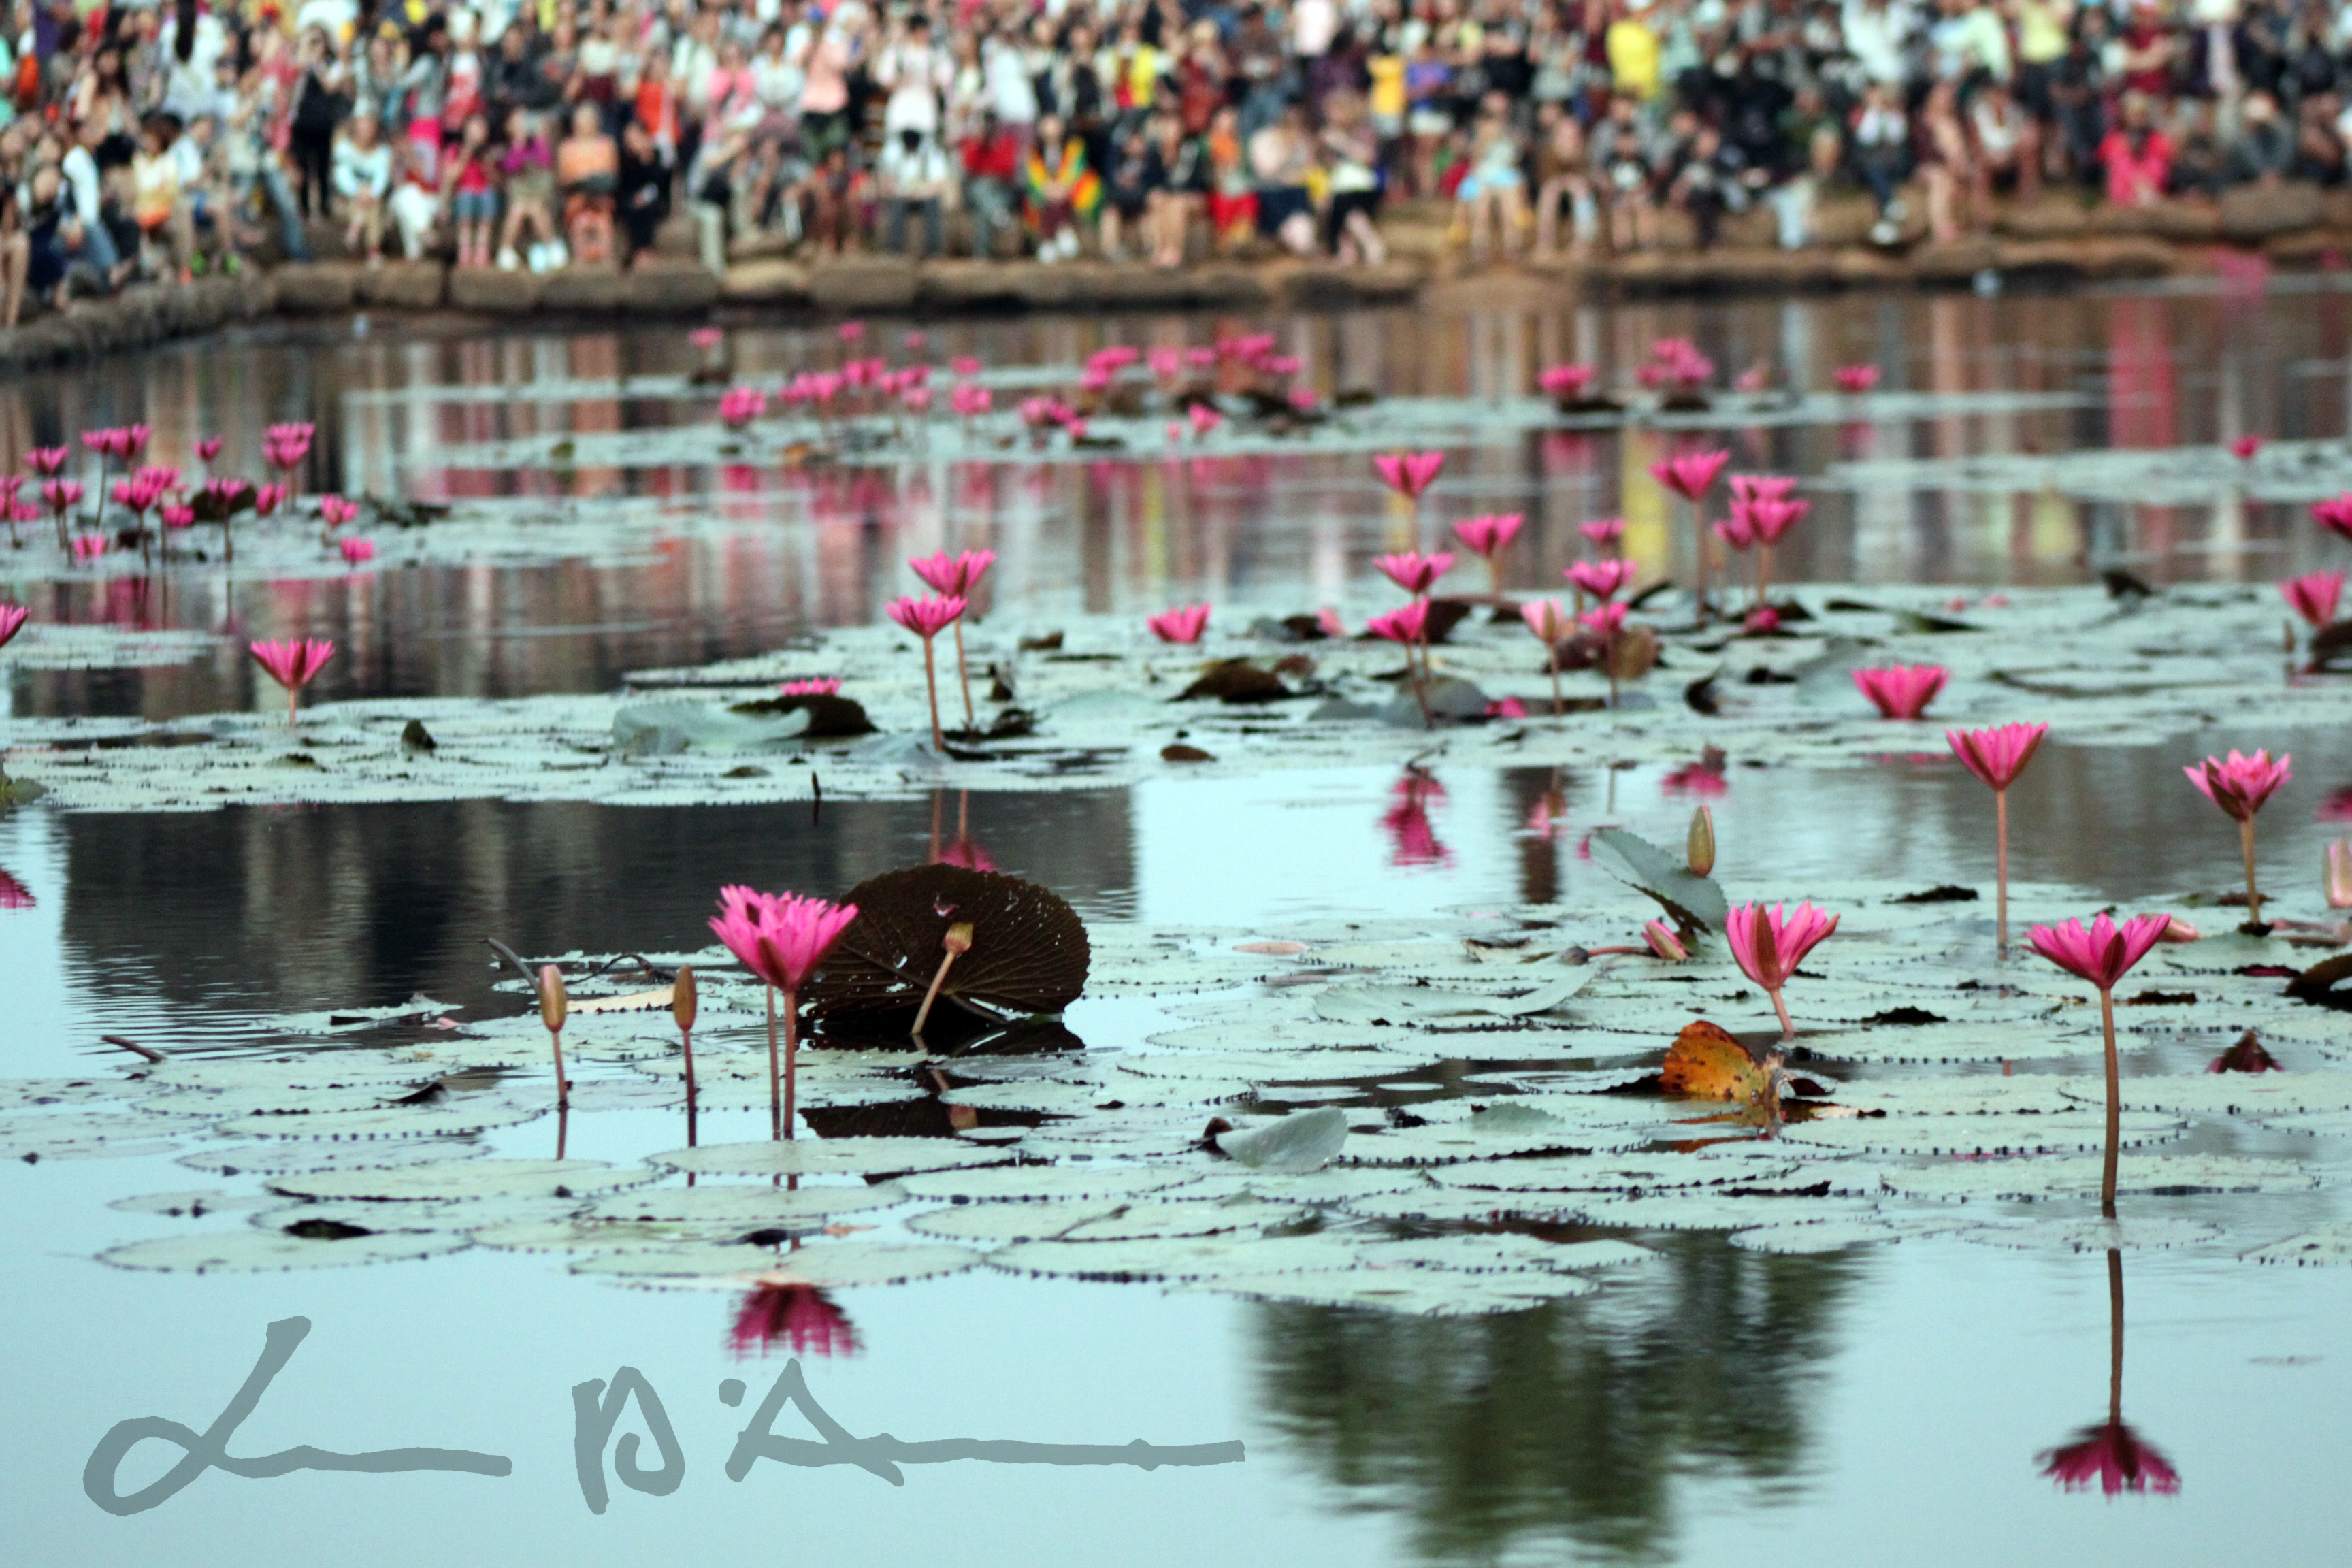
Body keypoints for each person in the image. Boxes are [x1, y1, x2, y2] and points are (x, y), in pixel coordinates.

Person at [1321, 91, 1387, 265]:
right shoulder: (1329, 133)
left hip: (1365, 185)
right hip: (1339, 185)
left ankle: (1372, 245)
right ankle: (1347, 252)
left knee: (1348, 208)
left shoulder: (1364, 131)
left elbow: (1369, 157)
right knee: (1339, 207)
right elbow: (1327, 165)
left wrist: (1341, 143)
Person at [1023, 112, 1098, 261]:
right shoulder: (1034, 150)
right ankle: (1052, 238)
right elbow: (1034, 175)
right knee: (1044, 201)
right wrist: (1047, 188)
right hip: (1045, 192)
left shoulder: (1074, 146)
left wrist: (1062, 187)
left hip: (1069, 190)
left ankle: (1059, 234)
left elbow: (1077, 169)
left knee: (1064, 198)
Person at [1249, 102, 1318, 256]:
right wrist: (1285, 149)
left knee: (1303, 227)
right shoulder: (1262, 139)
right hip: (1269, 193)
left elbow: (1308, 170)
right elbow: (1265, 172)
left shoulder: (1301, 141)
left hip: (1295, 193)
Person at [556, 101, 619, 265]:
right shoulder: (567, 148)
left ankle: (607, 262)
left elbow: (611, 174)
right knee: (581, 223)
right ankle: (580, 261)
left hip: (601, 200)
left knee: (603, 224)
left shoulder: (607, 144)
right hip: (577, 199)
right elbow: (564, 179)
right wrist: (583, 182)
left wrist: (593, 181)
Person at [499, 108, 560, 270]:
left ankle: (552, 247)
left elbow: (545, 162)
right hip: (519, 197)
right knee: (518, 209)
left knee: (536, 208)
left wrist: (541, 138)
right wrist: (519, 143)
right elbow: (511, 167)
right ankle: (505, 250)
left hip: (541, 196)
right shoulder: (509, 148)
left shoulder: (539, 145)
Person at [875, 125, 949, 257]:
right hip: (901, 196)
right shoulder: (894, 155)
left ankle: (934, 252)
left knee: (932, 205)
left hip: (925, 196)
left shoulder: (932, 154)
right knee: (896, 206)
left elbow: (939, 185)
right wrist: (900, 191)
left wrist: (920, 193)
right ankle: (894, 252)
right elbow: (885, 181)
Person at [960, 108, 1022, 257]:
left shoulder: (1007, 143)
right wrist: (979, 145)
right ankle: (997, 214)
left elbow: (1008, 169)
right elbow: (969, 167)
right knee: (981, 189)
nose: (989, 128)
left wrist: (994, 149)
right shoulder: (974, 143)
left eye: (992, 124)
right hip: (976, 190)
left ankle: (981, 253)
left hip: (1001, 191)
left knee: (982, 211)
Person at [332, 110, 390, 264]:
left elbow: (381, 179)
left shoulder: (382, 153)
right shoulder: (345, 150)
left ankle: (355, 230)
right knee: (368, 205)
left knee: (373, 206)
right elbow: (342, 177)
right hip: (348, 201)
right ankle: (373, 251)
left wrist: (370, 193)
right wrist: (358, 192)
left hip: (371, 199)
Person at [444, 112, 498, 267]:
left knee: (488, 196)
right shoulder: (455, 150)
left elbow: (495, 181)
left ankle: (482, 250)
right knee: (466, 198)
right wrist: (465, 154)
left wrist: (486, 163)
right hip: (463, 193)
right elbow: (452, 176)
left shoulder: (488, 152)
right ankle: (465, 250)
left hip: (484, 192)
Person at [617, 119, 672, 262]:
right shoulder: (626, 159)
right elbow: (625, 185)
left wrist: (647, 160)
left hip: (655, 199)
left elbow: (662, 183)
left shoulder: (658, 155)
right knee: (632, 208)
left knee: (649, 208)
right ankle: (637, 250)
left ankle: (647, 249)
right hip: (632, 198)